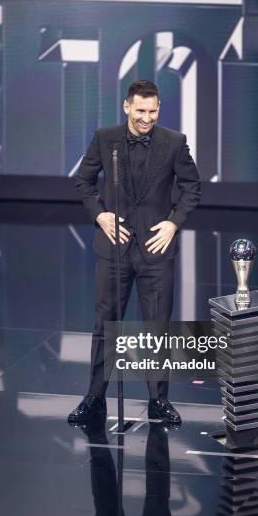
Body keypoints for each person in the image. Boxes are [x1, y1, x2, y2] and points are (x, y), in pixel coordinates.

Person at [68, 79, 201, 425]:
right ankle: (94, 398)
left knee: (158, 327)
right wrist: (100, 214)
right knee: (105, 325)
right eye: (140, 111)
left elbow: (192, 188)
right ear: (127, 107)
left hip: (156, 250)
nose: (146, 118)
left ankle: (159, 401)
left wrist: (173, 223)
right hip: (114, 248)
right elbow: (82, 180)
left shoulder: (174, 142)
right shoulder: (105, 138)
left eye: (152, 111)